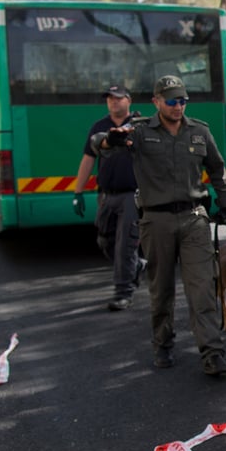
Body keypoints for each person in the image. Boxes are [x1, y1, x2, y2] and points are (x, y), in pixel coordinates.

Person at [91, 75, 226, 376]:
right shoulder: (140, 131)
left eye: (182, 100)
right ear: (156, 101)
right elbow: (98, 143)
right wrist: (111, 139)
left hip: (194, 218)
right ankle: (163, 343)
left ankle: (212, 352)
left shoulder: (199, 132)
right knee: (162, 290)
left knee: (202, 289)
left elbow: (218, 169)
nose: (178, 106)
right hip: (155, 221)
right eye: (171, 101)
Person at [73, 84, 145, 311]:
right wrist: (78, 191)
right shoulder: (100, 127)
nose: (114, 102)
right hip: (106, 195)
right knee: (105, 241)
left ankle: (123, 293)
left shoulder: (139, 126)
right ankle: (136, 267)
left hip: (131, 196)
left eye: (118, 98)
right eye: (110, 99)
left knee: (125, 245)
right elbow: (88, 159)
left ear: (128, 100)